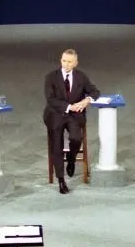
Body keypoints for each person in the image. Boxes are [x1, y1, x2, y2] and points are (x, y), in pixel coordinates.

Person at [43, 49, 100, 194]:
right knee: (57, 144)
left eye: (69, 62)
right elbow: (50, 99)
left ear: (75, 63)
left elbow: (94, 91)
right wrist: (69, 106)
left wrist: (86, 100)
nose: (66, 64)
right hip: (56, 113)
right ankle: (61, 180)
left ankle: (71, 158)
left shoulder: (81, 77)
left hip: (74, 115)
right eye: (63, 61)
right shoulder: (51, 77)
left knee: (76, 138)